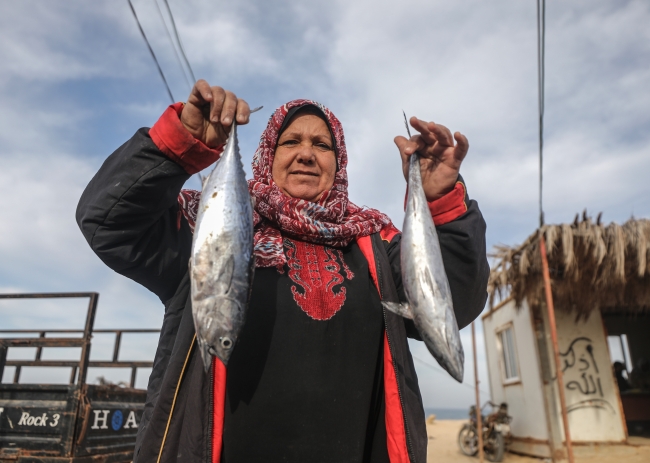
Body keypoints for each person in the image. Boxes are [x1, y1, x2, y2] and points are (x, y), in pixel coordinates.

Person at [76, 81, 489, 463]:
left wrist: (442, 204)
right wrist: (181, 143)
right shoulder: (207, 228)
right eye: (291, 141)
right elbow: (108, 221)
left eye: (321, 144)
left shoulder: (378, 245)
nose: (306, 153)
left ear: (339, 160)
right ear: (268, 156)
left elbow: (450, 303)